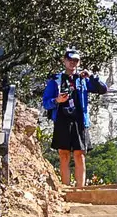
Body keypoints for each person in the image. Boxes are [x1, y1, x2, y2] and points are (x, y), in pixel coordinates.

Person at [40, 49, 105, 187]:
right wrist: (57, 100)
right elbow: (46, 102)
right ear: (64, 61)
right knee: (63, 154)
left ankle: (80, 189)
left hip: (79, 120)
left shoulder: (83, 79)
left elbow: (102, 89)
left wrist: (92, 76)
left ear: (79, 62)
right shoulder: (55, 80)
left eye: (76, 60)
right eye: (70, 60)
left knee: (80, 154)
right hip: (62, 119)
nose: (72, 63)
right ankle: (65, 188)